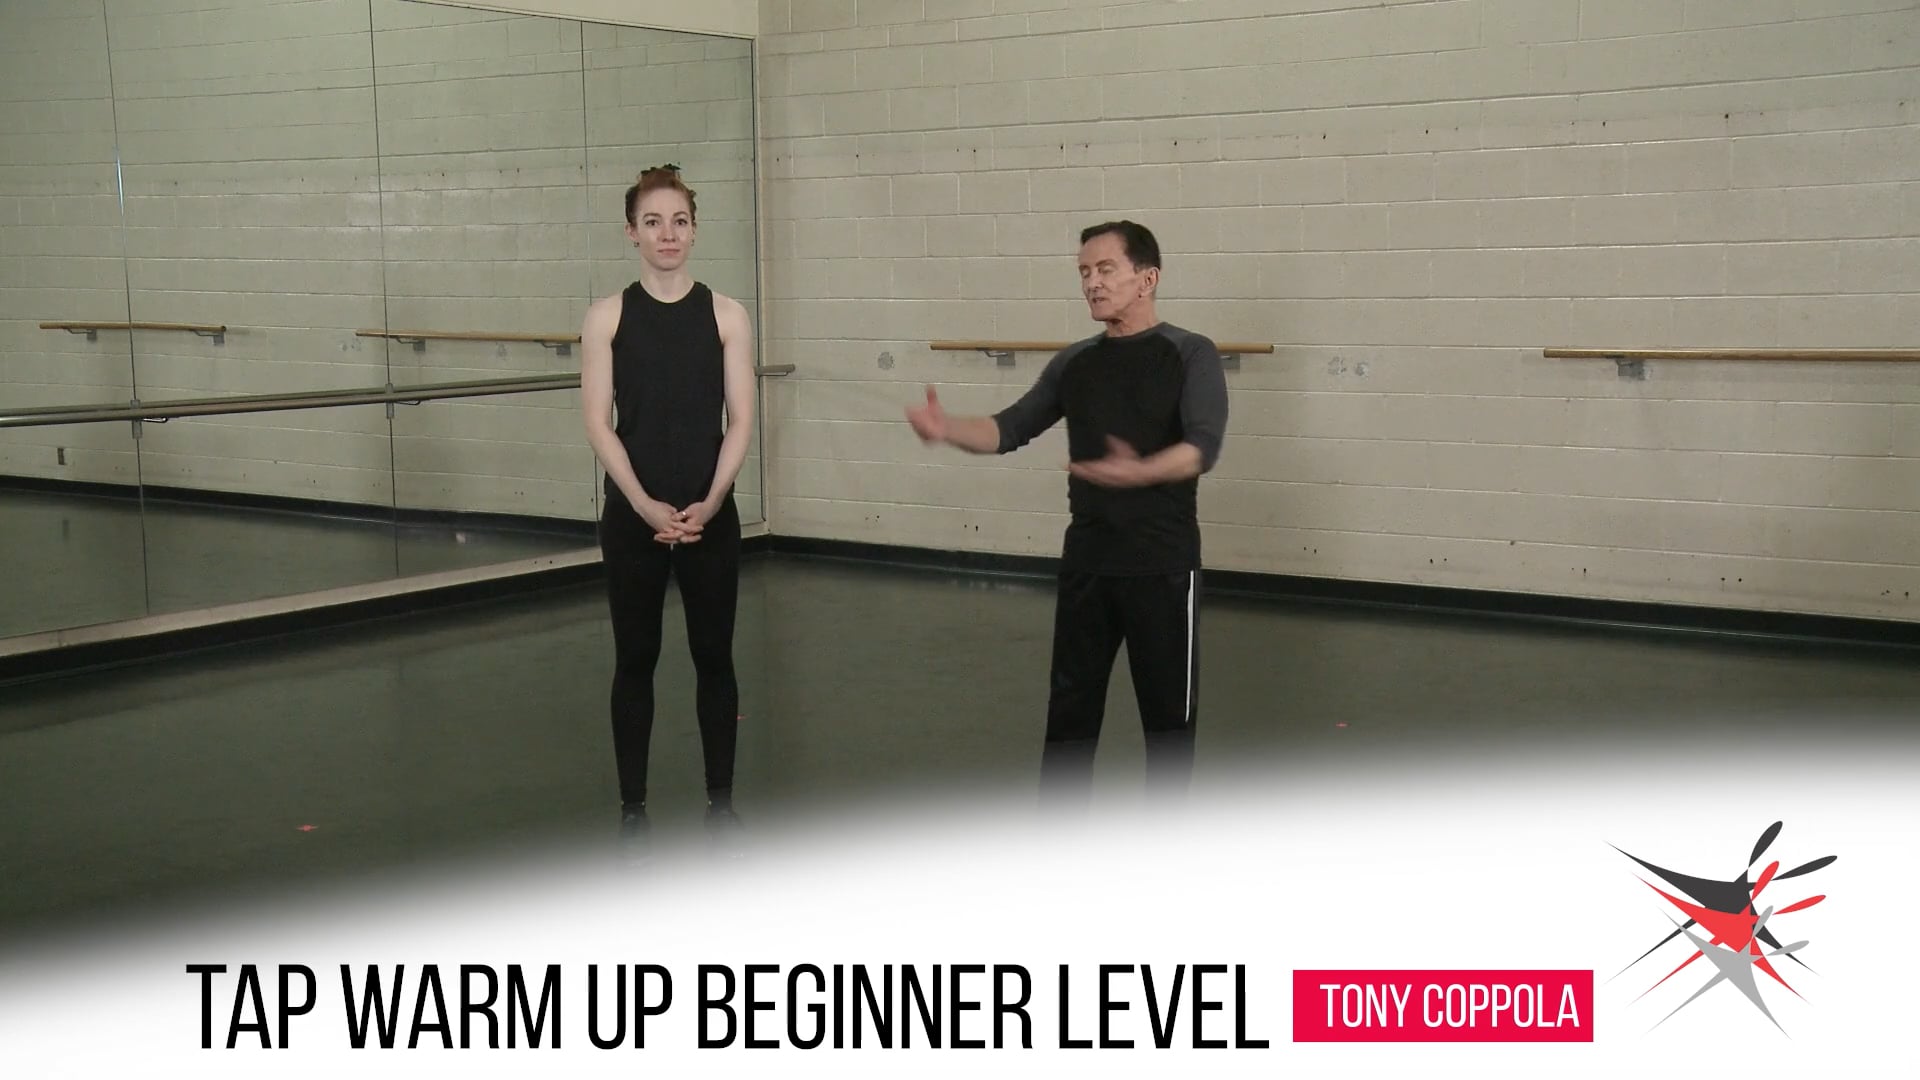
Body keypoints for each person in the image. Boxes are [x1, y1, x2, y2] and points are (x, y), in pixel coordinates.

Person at [906, 220, 1228, 806]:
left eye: (1105, 269)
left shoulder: (1190, 353)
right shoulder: (1075, 363)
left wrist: (1140, 471)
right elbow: (1008, 428)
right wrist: (946, 427)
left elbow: (1201, 447)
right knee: (1069, 719)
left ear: (1147, 278)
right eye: (1083, 272)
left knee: (1168, 724)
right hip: (1087, 566)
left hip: (1162, 566)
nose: (1091, 283)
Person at [581, 165, 755, 844]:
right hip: (636, 522)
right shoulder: (607, 317)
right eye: (652, 222)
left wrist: (710, 502)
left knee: (715, 657)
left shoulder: (728, 316)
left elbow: (740, 420)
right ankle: (634, 810)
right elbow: (599, 423)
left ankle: (721, 803)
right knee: (636, 659)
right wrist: (645, 506)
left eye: (679, 221)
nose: (667, 234)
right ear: (632, 232)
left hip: (710, 519)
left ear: (694, 229)